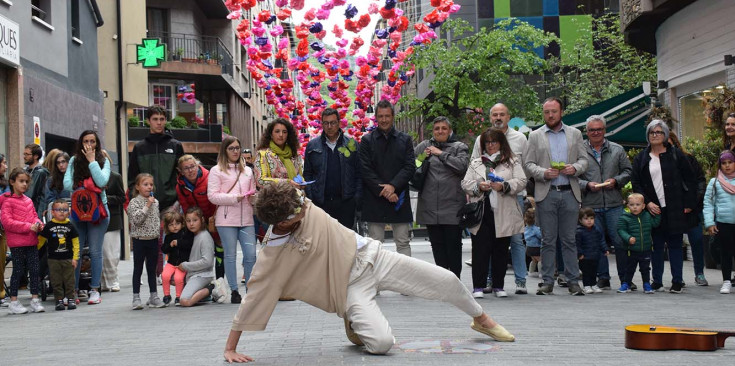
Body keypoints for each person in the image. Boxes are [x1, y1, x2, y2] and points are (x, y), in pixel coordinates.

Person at [222, 181, 515, 363]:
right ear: (283, 222)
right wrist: (230, 348)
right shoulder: (274, 252)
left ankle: (482, 320)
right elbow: (257, 294)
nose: (305, 207)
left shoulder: (301, 203)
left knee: (447, 280)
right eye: (298, 210)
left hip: (375, 256)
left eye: (301, 203)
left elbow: (283, 189)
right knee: (382, 344)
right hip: (350, 287)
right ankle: (354, 321)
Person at [523, 97, 588, 296]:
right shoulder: (535, 136)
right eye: (546, 112)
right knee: (548, 240)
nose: (550, 115)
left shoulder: (575, 133)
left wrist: (574, 168)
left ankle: (572, 281)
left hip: (569, 192)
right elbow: (528, 164)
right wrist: (543, 173)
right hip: (546, 193)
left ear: (561, 112)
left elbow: (584, 160)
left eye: (554, 111)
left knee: (569, 239)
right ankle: (547, 281)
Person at [631, 120, 696, 294]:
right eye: (652, 132)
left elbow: (690, 178)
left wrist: (689, 204)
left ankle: (677, 281)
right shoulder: (642, 158)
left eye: (659, 132)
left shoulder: (676, 154)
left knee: (675, 244)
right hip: (653, 208)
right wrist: (647, 202)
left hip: (675, 206)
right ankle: (657, 281)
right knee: (656, 245)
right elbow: (635, 183)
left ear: (665, 135)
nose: (655, 135)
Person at [470, 103, 529, 293]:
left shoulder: (519, 139)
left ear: (508, 116)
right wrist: (478, 186)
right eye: (494, 114)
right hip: (484, 201)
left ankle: (520, 281)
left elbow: (524, 169)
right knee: (486, 243)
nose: (498, 117)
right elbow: (472, 167)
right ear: (490, 118)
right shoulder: (480, 139)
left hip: (512, 198)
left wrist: (507, 186)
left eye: (502, 114)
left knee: (515, 241)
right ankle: (488, 282)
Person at [128, 105, 185, 282]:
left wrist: (180, 197)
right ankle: (157, 274)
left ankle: (173, 271)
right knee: (152, 240)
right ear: (148, 121)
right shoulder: (139, 148)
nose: (159, 123)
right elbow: (132, 178)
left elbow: (182, 174)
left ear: (165, 120)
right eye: (155, 119)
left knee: (172, 237)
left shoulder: (175, 146)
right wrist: (135, 202)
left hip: (170, 201)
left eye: (162, 119)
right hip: (147, 202)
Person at [578, 115, 632, 290]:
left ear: (605, 130)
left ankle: (625, 278)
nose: (596, 132)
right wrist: (586, 185)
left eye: (599, 129)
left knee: (620, 241)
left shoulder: (617, 149)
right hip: (591, 206)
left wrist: (616, 181)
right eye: (592, 130)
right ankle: (603, 277)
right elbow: (573, 177)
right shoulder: (579, 151)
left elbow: (628, 171)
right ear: (586, 132)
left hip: (614, 203)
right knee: (594, 243)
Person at [358, 100, 415, 257]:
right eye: (380, 116)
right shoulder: (366, 141)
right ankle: (376, 280)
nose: (384, 120)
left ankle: (405, 278)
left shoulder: (405, 140)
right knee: (375, 244)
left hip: (399, 197)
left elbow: (409, 167)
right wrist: (385, 190)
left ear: (393, 116)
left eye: (387, 116)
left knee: (403, 242)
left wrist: (393, 186)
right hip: (375, 198)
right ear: (376, 117)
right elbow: (365, 170)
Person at [413, 116, 469, 278]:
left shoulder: (460, 147)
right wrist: (423, 158)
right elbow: (413, 167)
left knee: (453, 246)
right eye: (437, 128)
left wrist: (441, 154)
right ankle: (444, 281)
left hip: (452, 206)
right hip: (430, 205)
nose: (440, 131)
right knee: (437, 246)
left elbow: (462, 167)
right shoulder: (424, 146)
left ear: (450, 130)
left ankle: (455, 279)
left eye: (444, 128)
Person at [63, 130, 111, 305]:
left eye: (92, 141)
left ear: (97, 143)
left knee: (95, 252)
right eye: (85, 141)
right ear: (80, 143)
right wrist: (87, 184)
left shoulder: (103, 160)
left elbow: (102, 182)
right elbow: (67, 184)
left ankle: (94, 290)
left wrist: (92, 162)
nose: (89, 144)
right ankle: (73, 290)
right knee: (75, 251)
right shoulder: (74, 161)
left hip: (99, 212)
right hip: (78, 211)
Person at [208, 136, 257, 304]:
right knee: (230, 256)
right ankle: (234, 290)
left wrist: (254, 198)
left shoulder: (248, 171)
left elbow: (252, 192)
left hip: (247, 219)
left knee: (251, 255)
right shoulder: (216, 170)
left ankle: (250, 289)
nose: (235, 151)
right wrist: (233, 198)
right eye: (231, 148)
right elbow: (212, 196)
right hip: (226, 219)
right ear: (225, 150)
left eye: (237, 148)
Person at [303, 108, 363, 229]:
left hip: (346, 202)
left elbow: (359, 173)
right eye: (326, 123)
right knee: (323, 241)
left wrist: (356, 198)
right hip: (321, 203)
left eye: (333, 122)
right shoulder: (313, 146)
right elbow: (308, 174)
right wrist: (312, 195)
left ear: (339, 123)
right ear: (322, 124)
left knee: (345, 241)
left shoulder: (351, 144)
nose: (329, 126)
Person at [1, 168, 45, 314]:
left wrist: (39, 224)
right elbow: (7, 222)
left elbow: (34, 216)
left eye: (26, 181)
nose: (25, 184)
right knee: (18, 271)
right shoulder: (7, 201)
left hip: (31, 241)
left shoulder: (28, 200)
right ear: (12, 182)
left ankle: (35, 299)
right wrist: (29, 227)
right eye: (21, 181)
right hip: (17, 243)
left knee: (34, 270)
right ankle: (13, 301)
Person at [669, 132, 708, 286]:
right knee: (675, 243)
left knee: (697, 240)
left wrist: (693, 203)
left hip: (692, 208)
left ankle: (699, 273)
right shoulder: (657, 161)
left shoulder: (689, 158)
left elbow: (700, 181)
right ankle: (678, 277)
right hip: (673, 209)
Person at [175, 154, 223, 280]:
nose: (190, 170)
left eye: (193, 166)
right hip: (196, 221)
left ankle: (219, 282)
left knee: (219, 249)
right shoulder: (180, 186)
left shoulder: (209, 177)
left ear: (198, 165)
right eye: (186, 168)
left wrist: (214, 221)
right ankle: (199, 281)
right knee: (197, 252)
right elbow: (185, 208)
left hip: (213, 218)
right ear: (181, 171)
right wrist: (192, 224)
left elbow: (216, 200)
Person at [127, 173, 165, 309]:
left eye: (150, 184)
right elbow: (137, 220)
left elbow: (155, 220)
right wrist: (147, 205)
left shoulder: (156, 202)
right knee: (138, 268)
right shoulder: (134, 202)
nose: (149, 187)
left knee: (152, 269)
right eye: (145, 184)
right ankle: (136, 298)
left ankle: (153, 296)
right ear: (137, 187)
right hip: (139, 240)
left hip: (153, 240)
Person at [179, 207, 227, 307]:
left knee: (185, 300)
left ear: (202, 220)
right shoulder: (191, 235)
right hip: (192, 274)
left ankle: (212, 287)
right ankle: (204, 293)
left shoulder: (204, 237)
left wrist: (185, 265)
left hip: (202, 275)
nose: (191, 224)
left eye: (195, 220)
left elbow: (207, 262)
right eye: (188, 221)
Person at [38, 199, 80, 310]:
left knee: (69, 280)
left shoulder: (71, 226)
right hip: (53, 259)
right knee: (56, 281)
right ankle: (59, 300)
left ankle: (71, 299)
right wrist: (34, 248)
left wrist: (75, 258)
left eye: (65, 210)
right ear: (52, 212)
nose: (62, 212)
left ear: (69, 212)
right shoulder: (49, 226)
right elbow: (41, 240)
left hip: (68, 259)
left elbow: (76, 243)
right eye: (58, 210)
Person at [703, 150, 735, 294]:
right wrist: (709, 223)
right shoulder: (714, 182)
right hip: (723, 223)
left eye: (730, 162)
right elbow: (708, 204)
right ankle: (726, 281)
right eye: (724, 163)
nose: (727, 166)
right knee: (726, 253)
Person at [616, 193, 661, 294]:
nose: (635, 207)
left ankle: (646, 284)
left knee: (645, 268)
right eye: (632, 205)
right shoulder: (624, 217)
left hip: (646, 249)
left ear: (643, 206)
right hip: (631, 250)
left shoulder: (647, 216)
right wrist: (628, 238)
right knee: (629, 268)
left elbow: (655, 224)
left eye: (638, 204)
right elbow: (620, 230)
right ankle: (626, 284)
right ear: (628, 206)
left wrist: (658, 214)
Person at [254, 118, 304, 189]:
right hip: (272, 198)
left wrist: (302, 183)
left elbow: (300, 176)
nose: (281, 135)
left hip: (294, 197)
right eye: (277, 131)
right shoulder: (263, 155)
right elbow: (260, 181)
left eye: (284, 132)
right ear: (271, 134)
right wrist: (287, 182)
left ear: (288, 135)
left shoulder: (294, 155)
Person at [101, 159, 125, 293]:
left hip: (113, 218)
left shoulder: (115, 177)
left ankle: (114, 280)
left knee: (112, 253)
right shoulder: (91, 176)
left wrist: (106, 198)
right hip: (97, 218)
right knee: (101, 252)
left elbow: (122, 198)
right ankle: (104, 281)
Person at [161, 210, 190, 306]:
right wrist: (170, 245)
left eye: (177, 223)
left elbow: (188, 245)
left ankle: (179, 296)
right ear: (167, 226)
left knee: (178, 278)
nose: (174, 226)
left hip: (182, 263)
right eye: (171, 225)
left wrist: (178, 243)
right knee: (164, 276)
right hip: (171, 262)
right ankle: (166, 295)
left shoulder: (185, 234)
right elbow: (164, 250)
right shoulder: (168, 237)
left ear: (182, 224)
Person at [576, 207, 608, 294]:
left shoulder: (596, 230)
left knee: (594, 271)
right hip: (585, 257)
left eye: (591, 218)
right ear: (580, 220)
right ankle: (586, 286)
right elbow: (577, 245)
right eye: (586, 219)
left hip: (595, 255)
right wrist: (579, 254)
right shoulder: (579, 231)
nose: (589, 221)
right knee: (586, 272)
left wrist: (605, 249)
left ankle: (593, 284)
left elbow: (601, 240)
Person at [43, 152, 72, 219]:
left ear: (68, 162)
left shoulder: (75, 178)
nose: (61, 165)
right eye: (58, 163)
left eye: (63, 162)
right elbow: (50, 199)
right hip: (58, 213)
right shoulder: (51, 180)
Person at [24, 143, 49, 219]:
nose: (24, 157)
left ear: (36, 156)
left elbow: (30, 194)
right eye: (24, 154)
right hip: (28, 210)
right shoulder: (26, 170)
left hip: (35, 211)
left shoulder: (40, 172)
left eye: (27, 154)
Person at [0, 153, 10, 307]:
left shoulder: (5, 184)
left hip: (2, 228)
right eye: (3, 163)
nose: (6, 166)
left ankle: (1, 293)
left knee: (1, 261)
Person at [524, 208, 542, 278]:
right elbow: (540, 236)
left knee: (534, 260)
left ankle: (531, 272)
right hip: (536, 247)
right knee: (540, 260)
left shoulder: (526, 228)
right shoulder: (535, 229)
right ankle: (541, 273)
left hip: (528, 247)